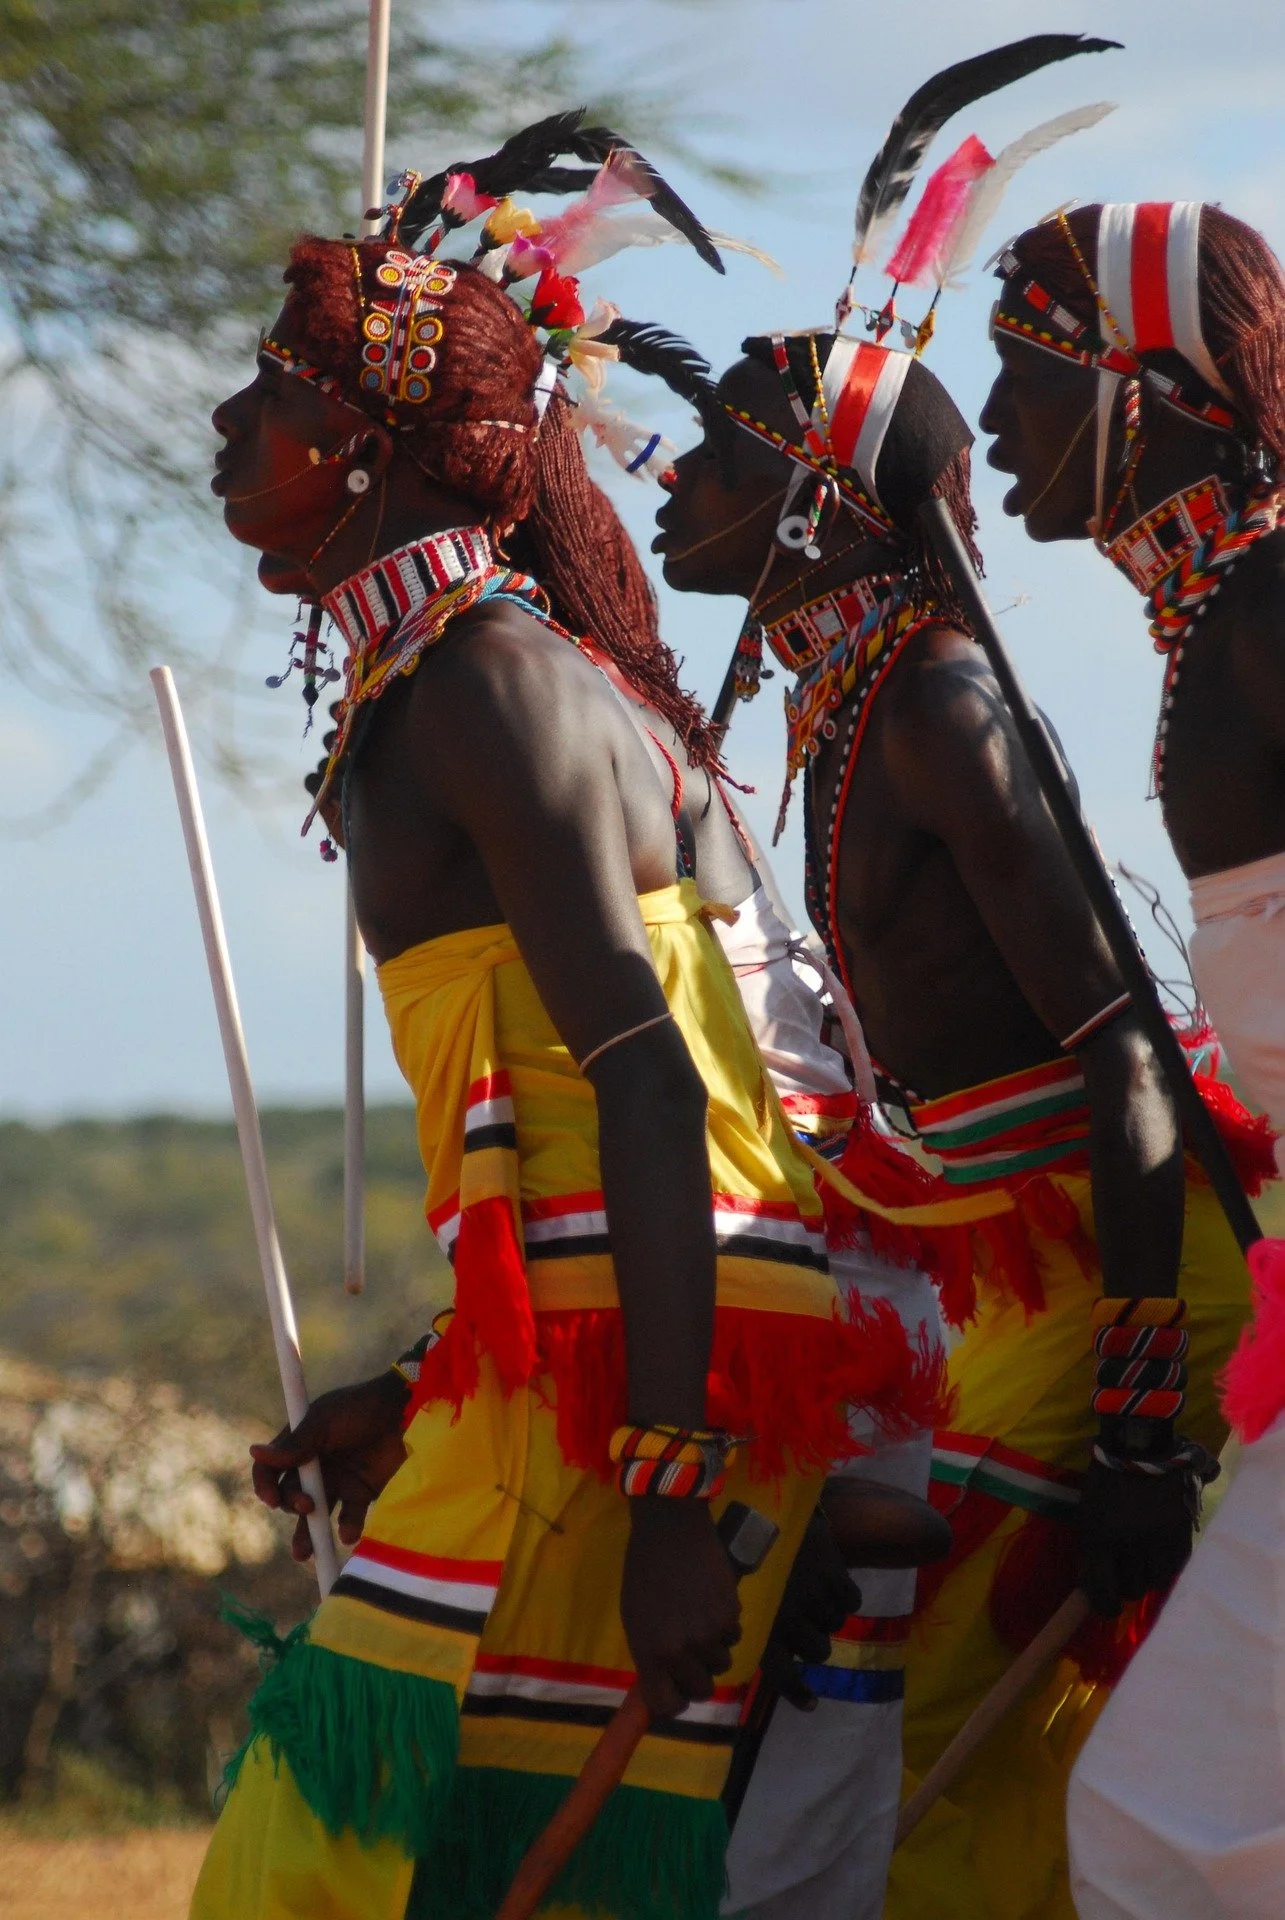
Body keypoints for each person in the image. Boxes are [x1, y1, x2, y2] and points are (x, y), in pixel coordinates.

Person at [189, 148, 945, 1920]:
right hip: (602, 1351)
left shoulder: (489, 685)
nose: (230, 411)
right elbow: (559, 1105)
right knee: (469, 1862)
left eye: (277, 387)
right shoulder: (453, 676)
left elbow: (659, 1088)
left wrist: (673, 1494)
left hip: (642, 1385)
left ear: (368, 446)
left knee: (317, 1863)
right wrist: (439, 1367)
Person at [649, 308, 1269, 1920]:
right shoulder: (850, 707)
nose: (670, 473)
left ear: (812, 501)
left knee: (920, 1707)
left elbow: (1125, 1051)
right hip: (1000, 1274)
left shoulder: (931, 704)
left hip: (1123, 1266)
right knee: (887, 1714)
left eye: (717, 448)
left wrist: (1138, 1429)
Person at [984, 199, 1285, 1919]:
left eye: (1030, 379)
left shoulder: (1272, 606)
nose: (1001, 424)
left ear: (1147, 386)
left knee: (1159, 1830)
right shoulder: (1228, 620)